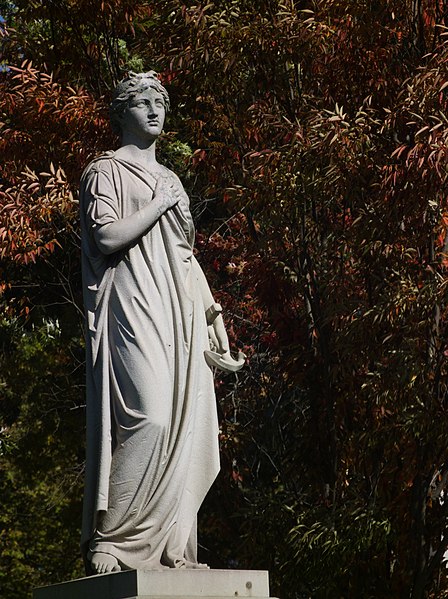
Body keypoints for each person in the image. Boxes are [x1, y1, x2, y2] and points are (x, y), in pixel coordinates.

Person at [79, 71, 243, 575]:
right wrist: (157, 204)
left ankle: (174, 546)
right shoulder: (104, 172)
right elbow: (107, 239)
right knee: (149, 417)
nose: (155, 111)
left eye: (161, 103)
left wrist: (214, 317)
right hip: (131, 301)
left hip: (179, 308)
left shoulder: (172, 179)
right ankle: (113, 541)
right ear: (121, 112)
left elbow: (186, 256)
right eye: (143, 102)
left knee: (183, 425)